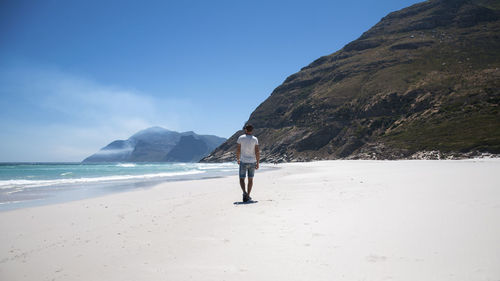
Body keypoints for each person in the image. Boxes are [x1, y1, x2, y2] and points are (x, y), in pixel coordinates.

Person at [236, 124, 260, 202]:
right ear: (252, 130)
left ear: (246, 130)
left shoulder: (241, 138)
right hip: (252, 161)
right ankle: (248, 195)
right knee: (250, 179)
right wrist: (258, 162)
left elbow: (238, 150)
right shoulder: (255, 139)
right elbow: (257, 151)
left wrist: (238, 159)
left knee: (241, 179)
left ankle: (244, 193)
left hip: (243, 161)